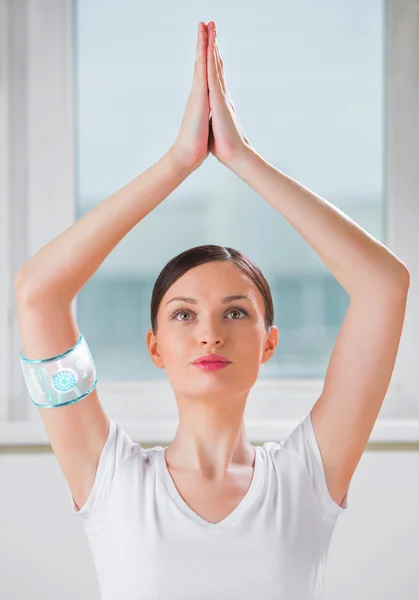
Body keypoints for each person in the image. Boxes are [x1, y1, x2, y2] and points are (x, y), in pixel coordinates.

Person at [14, 20, 410, 600]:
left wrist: (242, 159)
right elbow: (38, 292)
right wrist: (178, 162)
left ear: (269, 341)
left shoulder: (304, 479)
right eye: (182, 314)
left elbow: (385, 287)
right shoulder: (110, 480)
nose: (209, 336)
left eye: (235, 313)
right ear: (153, 345)